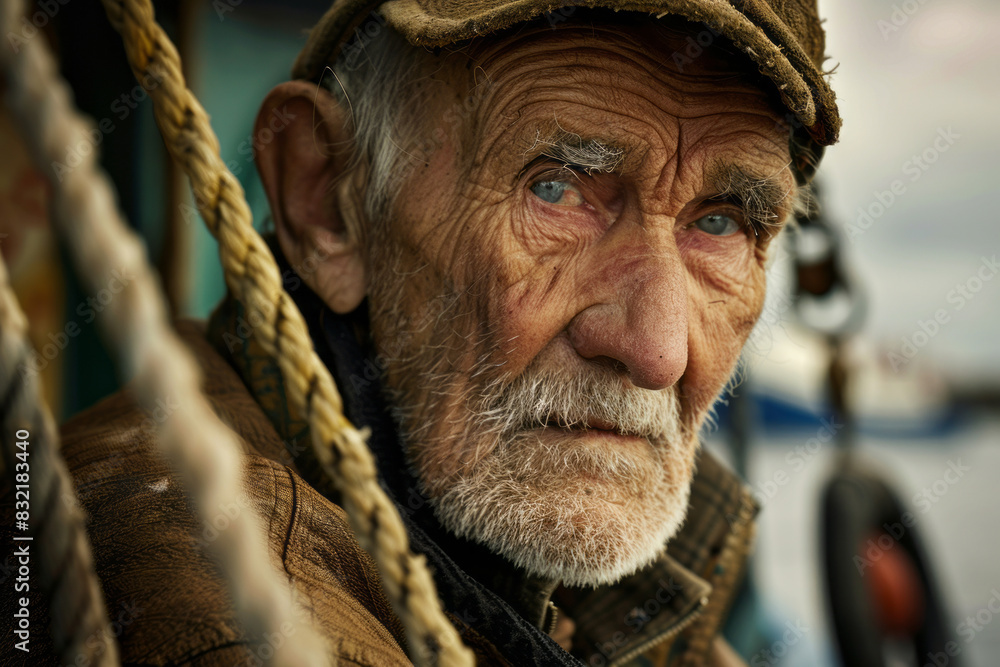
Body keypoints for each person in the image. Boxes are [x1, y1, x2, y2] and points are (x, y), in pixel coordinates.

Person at [56, 1, 840, 665]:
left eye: (721, 223)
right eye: (558, 190)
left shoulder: (582, 581)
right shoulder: (227, 611)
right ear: (326, 201)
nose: (658, 351)